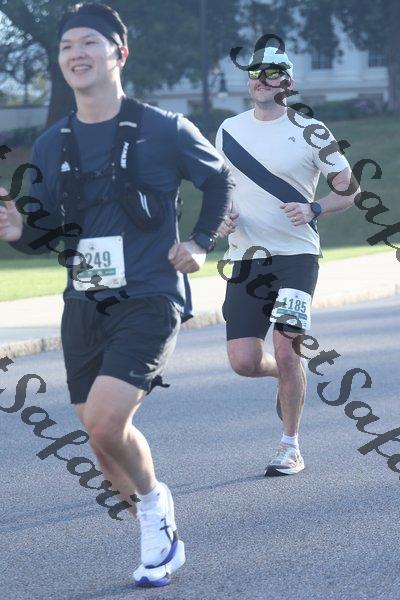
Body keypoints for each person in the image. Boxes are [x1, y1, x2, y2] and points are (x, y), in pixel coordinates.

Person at [0, 2, 234, 588]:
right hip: (84, 302)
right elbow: (47, 231)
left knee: (106, 424)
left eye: (89, 43)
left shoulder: (164, 127)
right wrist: (18, 231)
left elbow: (219, 180)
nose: (76, 54)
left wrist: (201, 242)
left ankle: (155, 507)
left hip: (150, 295)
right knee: (102, 444)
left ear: (119, 53)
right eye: (66, 46)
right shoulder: (52, 143)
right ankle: (156, 527)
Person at [216, 43, 359, 476]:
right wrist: (220, 217)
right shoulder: (228, 130)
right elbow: (220, 188)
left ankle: (290, 446)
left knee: (287, 349)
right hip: (246, 257)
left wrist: (314, 208)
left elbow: (350, 191)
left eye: (272, 72)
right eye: (255, 72)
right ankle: (284, 374)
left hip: (297, 256)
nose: (262, 79)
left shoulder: (312, 130)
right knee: (243, 361)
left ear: (288, 82)